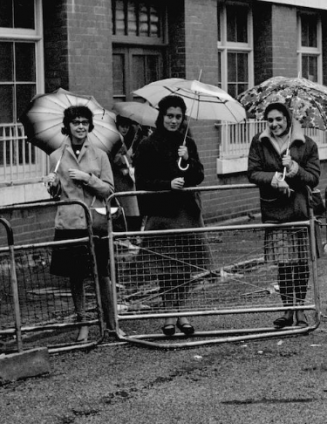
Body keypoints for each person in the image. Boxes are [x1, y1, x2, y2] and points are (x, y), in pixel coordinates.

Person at [134, 95, 210, 337]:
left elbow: (198, 175)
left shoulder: (187, 143)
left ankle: (181, 313)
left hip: (186, 212)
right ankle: (168, 313)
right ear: (161, 116)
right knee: (166, 267)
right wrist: (168, 184)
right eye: (169, 116)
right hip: (162, 213)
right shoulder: (148, 144)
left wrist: (188, 159)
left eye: (178, 117)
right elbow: (142, 181)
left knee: (184, 265)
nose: (174, 121)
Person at [45, 105, 118, 342]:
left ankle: (111, 323)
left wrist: (88, 178)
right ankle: (83, 323)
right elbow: (56, 195)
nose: (80, 127)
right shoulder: (56, 156)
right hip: (69, 224)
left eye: (84, 122)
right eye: (76, 122)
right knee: (76, 276)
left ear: (89, 126)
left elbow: (109, 190)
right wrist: (51, 184)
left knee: (103, 274)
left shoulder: (100, 155)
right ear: (68, 126)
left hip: (94, 222)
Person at [247, 102, 320, 328]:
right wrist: (273, 178)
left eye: (279, 119)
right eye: (270, 120)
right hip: (276, 212)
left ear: (288, 120)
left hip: (300, 211)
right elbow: (252, 172)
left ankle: (300, 310)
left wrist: (296, 169)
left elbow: (314, 177)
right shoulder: (260, 142)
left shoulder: (307, 144)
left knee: (299, 264)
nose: (274, 124)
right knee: (285, 264)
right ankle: (288, 310)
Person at [111, 115, 143, 232]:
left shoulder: (124, 140)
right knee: (125, 210)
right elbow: (114, 159)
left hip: (127, 179)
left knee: (130, 210)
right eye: (122, 126)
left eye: (127, 127)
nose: (125, 129)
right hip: (120, 179)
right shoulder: (115, 140)